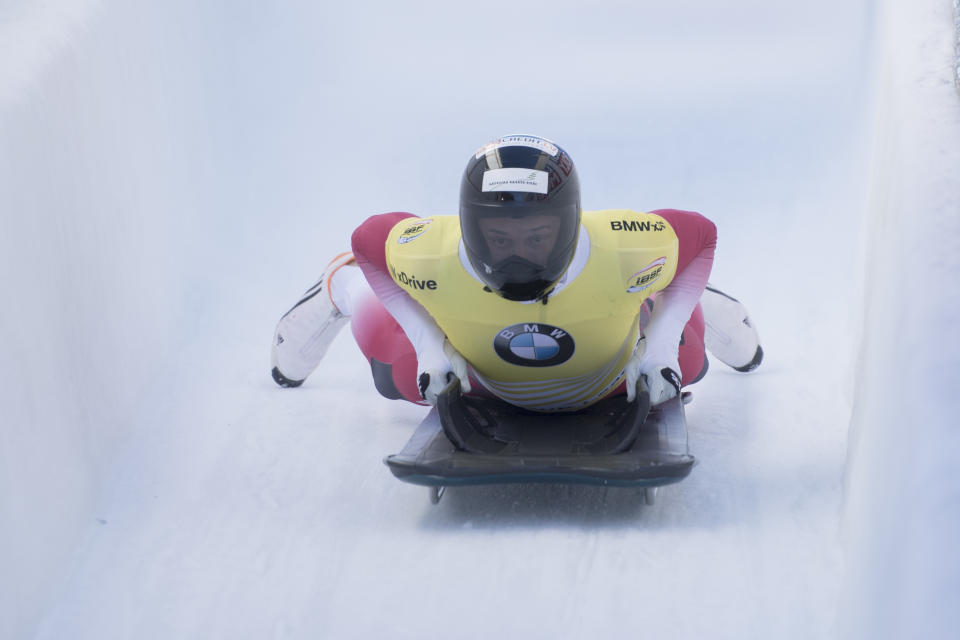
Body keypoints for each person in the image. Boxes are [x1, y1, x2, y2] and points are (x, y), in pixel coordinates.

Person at [270, 134, 761, 412]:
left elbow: (700, 237)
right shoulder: (432, 253)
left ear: (569, 224)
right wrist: (427, 346)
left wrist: (659, 346)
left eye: (536, 237)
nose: (517, 258)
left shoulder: (623, 244)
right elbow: (369, 242)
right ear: (470, 226)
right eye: (500, 239)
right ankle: (343, 285)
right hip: (478, 381)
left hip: (610, 378)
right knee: (398, 370)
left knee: (686, 357)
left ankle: (667, 291)